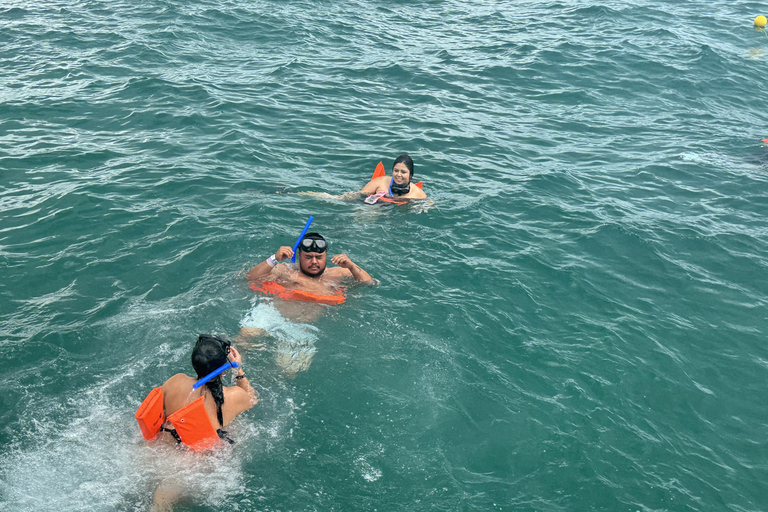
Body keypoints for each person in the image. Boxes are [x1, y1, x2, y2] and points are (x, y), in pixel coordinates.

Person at [137, 334, 258, 511]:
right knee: (238, 429)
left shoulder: (175, 381)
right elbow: (252, 398)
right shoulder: (232, 397)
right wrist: (238, 370)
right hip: (190, 463)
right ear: (224, 368)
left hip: (155, 449)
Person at [240, 232, 373, 375]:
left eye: (319, 257)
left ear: (326, 256)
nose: (314, 262)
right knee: (244, 338)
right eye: (308, 257)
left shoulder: (337, 274)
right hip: (272, 313)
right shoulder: (286, 270)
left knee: (288, 371)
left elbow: (369, 283)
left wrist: (352, 266)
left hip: (301, 326)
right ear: (299, 257)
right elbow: (250, 278)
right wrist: (274, 259)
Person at [360, 154, 427, 200]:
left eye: (403, 172)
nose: (399, 175)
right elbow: (359, 195)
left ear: (411, 174)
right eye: (396, 171)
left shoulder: (418, 194)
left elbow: (429, 204)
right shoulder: (379, 182)